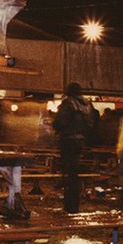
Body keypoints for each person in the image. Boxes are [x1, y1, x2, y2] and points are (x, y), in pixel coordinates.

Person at [52, 82, 98, 213]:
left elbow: (60, 122)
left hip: (68, 140)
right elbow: (92, 123)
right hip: (80, 141)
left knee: (68, 174)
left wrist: (57, 126)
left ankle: (70, 206)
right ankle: (74, 205)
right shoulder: (86, 105)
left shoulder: (69, 104)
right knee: (74, 173)